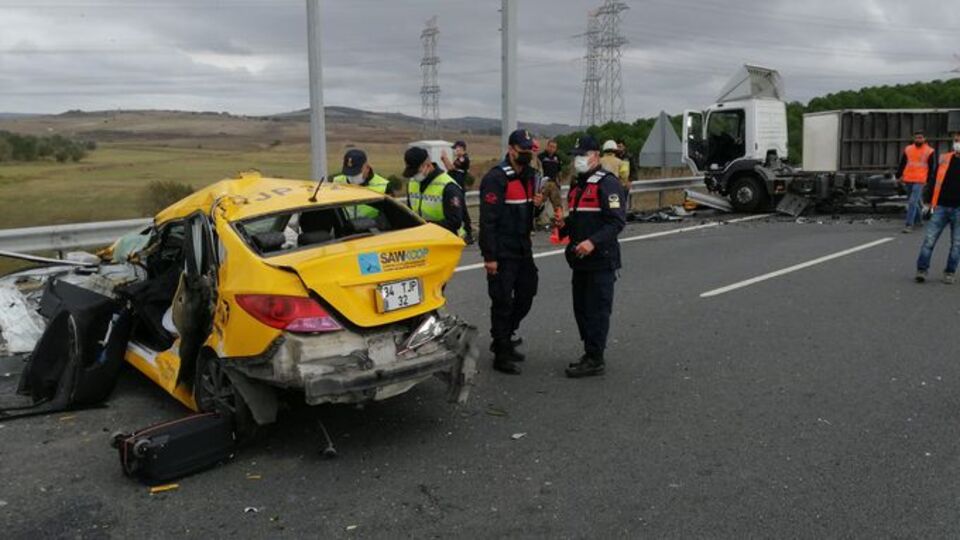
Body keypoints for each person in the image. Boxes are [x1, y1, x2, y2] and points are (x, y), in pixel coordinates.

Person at [557, 135, 626, 378]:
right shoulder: (579, 185)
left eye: (582, 155)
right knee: (582, 309)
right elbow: (578, 219)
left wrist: (592, 242)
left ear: (595, 155)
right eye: (575, 156)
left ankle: (595, 358)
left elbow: (616, 222)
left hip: (601, 260)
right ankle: (589, 351)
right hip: (580, 260)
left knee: (597, 310)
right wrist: (564, 226)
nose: (577, 160)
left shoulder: (607, 184)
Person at [479, 129, 544, 374]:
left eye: (530, 152)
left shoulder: (530, 176)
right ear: (511, 150)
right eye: (523, 151)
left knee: (528, 292)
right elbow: (488, 222)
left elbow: (529, 215)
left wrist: (537, 207)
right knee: (502, 301)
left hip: (522, 249)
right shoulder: (496, 178)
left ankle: (505, 335)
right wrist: (490, 257)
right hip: (502, 251)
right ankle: (501, 351)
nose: (527, 156)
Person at [915, 131, 960, 284]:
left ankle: (950, 272)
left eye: (958, 140)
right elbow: (934, 180)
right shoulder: (945, 158)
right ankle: (922, 269)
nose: (956, 143)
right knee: (929, 240)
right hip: (941, 206)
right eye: (955, 140)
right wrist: (927, 201)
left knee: (957, 244)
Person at [403, 146, 464, 237]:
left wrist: (424, 225)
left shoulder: (448, 186)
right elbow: (410, 212)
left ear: (427, 164)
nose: (414, 176)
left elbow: (454, 222)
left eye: (416, 172)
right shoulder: (412, 184)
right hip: (422, 239)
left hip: (446, 241)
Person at [331, 149, 393, 219]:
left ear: (367, 167)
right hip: (345, 228)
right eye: (348, 173)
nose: (352, 177)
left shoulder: (384, 186)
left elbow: (392, 216)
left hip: (374, 227)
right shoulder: (337, 182)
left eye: (356, 173)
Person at [897, 130, 936, 234]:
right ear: (913, 138)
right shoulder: (908, 149)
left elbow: (931, 166)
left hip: (920, 179)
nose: (918, 139)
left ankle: (909, 224)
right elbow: (903, 162)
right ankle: (919, 220)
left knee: (912, 201)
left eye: (920, 138)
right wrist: (898, 174)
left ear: (924, 139)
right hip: (908, 178)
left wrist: (929, 180)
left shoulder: (929, 151)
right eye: (917, 137)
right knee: (914, 201)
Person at [441, 140, 475, 244]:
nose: (455, 151)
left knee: (462, 211)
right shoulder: (458, 159)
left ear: (462, 148)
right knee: (460, 210)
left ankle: (468, 233)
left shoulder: (463, 158)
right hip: (455, 187)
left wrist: (445, 158)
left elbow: (451, 167)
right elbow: (450, 170)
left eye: (457, 148)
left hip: (459, 188)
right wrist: (444, 160)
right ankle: (464, 232)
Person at [538, 139, 565, 228]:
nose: (552, 149)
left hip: (554, 184)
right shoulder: (541, 157)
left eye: (554, 147)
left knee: (557, 204)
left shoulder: (557, 158)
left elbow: (559, 171)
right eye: (550, 146)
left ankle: (559, 223)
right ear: (547, 146)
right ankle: (536, 221)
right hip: (543, 184)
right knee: (539, 203)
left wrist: (560, 182)